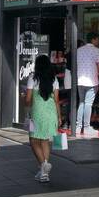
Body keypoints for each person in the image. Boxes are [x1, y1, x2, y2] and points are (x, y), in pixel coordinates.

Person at [24, 54, 60, 183]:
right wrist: (59, 117)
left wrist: (25, 102)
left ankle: (43, 164)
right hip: (51, 114)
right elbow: (56, 100)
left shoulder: (33, 78)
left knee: (33, 140)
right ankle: (44, 173)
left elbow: (28, 100)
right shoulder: (54, 79)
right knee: (45, 140)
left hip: (36, 114)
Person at [74, 32, 99, 138]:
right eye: (97, 39)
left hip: (80, 81)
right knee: (88, 104)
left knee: (81, 103)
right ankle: (86, 127)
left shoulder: (78, 50)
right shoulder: (97, 51)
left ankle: (78, 127)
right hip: (92, 81)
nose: (98, 41)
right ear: (94, 39)